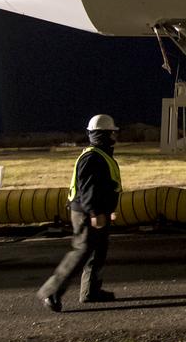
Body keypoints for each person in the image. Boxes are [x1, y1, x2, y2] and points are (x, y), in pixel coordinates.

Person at [37, 114, 123, 311]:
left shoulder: (100, 155)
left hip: (95, 211)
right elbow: (89, 189)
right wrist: (95, 213)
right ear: (106, 134)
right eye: (112, 133)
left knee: (97, 251)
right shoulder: (93, 157)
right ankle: (52, 291)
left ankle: (90, 292)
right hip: (87, 214)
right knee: (81, 252)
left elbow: (103, 188)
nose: (115, 137)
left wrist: (107, 211)